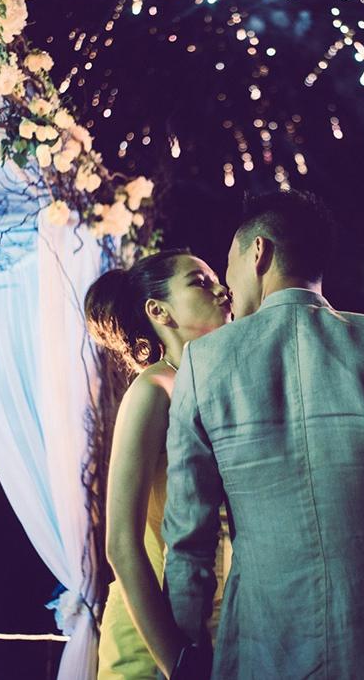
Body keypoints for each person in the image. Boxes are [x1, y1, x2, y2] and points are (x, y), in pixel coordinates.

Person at [162, 191, 364, 680]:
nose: (228, 285)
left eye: (229, 264)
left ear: (259, 254)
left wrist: (184, 657)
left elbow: (188, 543)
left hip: (264, 650)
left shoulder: (202, 364)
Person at [84, 249, 231, 680]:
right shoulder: (152, 391)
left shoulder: (211, 385)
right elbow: (120, 543)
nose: (222, 289)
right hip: (153, 633)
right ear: (159, 311)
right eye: (200, 282)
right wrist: (176, 660)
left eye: (216, 279)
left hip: (216, 623)